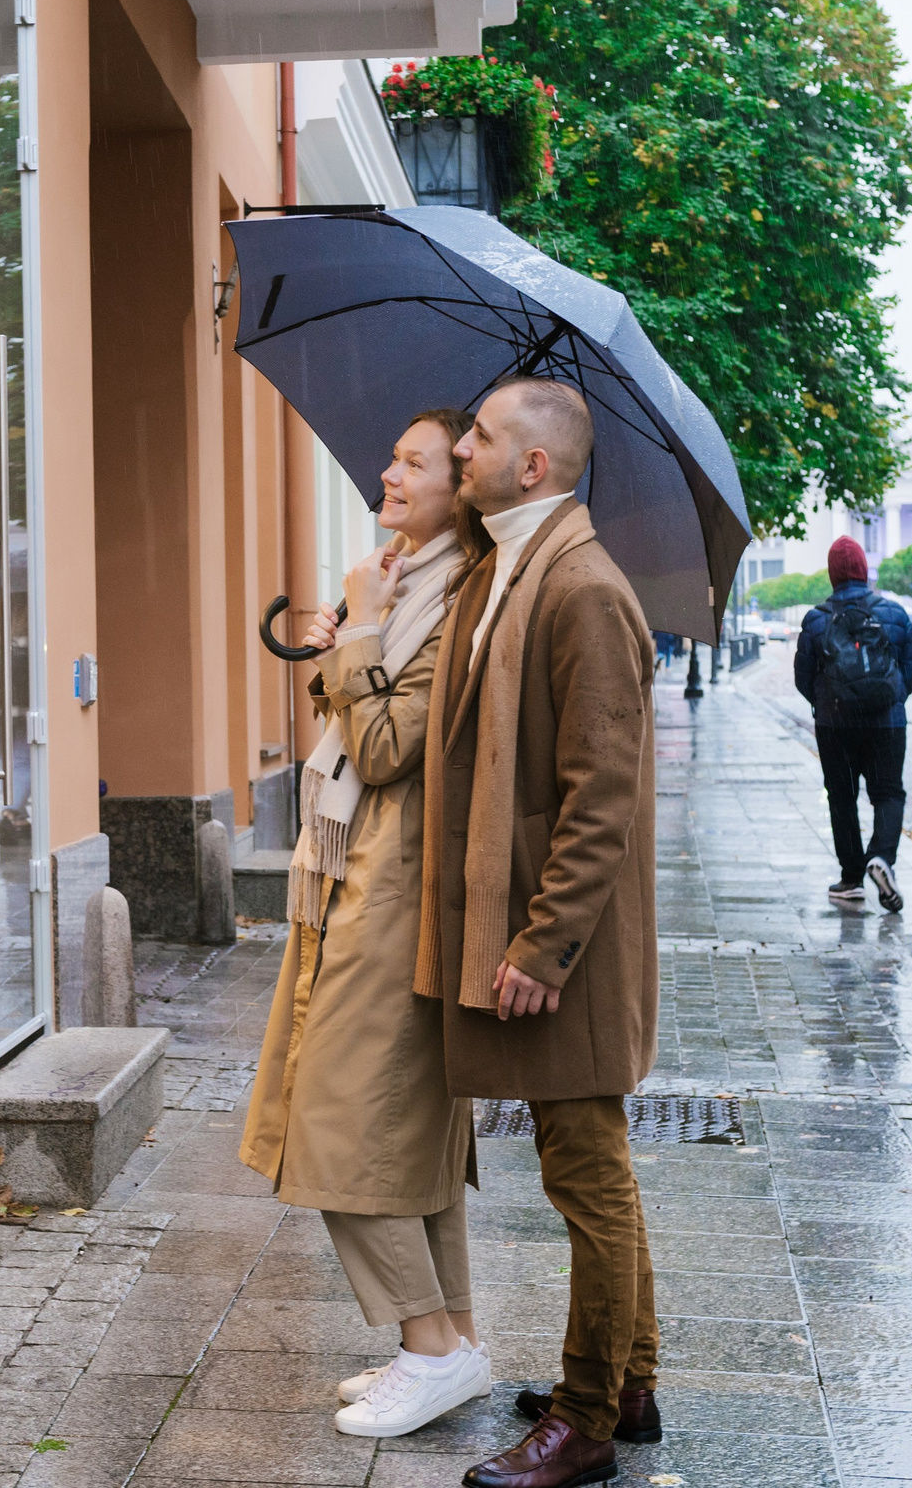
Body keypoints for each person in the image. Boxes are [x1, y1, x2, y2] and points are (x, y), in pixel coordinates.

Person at [419, 378, 662, 1488]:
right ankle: (633, 1378)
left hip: (568, 948)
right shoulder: (506, 566)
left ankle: (587, 1418)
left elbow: (600, 794)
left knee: (587, 1173)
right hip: (534, 928)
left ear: (534, 466)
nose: (457, 448)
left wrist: (540, 942)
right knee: (591, 1166)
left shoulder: (581, 586)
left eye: (477, 435)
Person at [240, 409, 495, 1440]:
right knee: (400, 1125)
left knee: (344, 1122)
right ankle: (452, 1342)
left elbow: (387, 746)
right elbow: (364, 715)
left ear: (461, 486)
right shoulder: (409, 578)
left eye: (415, 461)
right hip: (357, 876)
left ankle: (430, 1346)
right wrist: (348, 636)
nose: (388, 472)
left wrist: (357, 630)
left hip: (397, 886)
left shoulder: (461, 598)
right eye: (392, 455)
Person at [793, 537, 912, 912]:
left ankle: (851, 878)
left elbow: (803, 678)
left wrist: (828, 704)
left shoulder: (816, 620)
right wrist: (889, 702)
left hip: (836, 726)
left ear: (832, 575)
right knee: (888, 793)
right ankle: (881, 857)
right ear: (865, 571)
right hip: (887, 724)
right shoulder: (894, 615)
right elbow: (911, 671)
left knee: (843, 798)